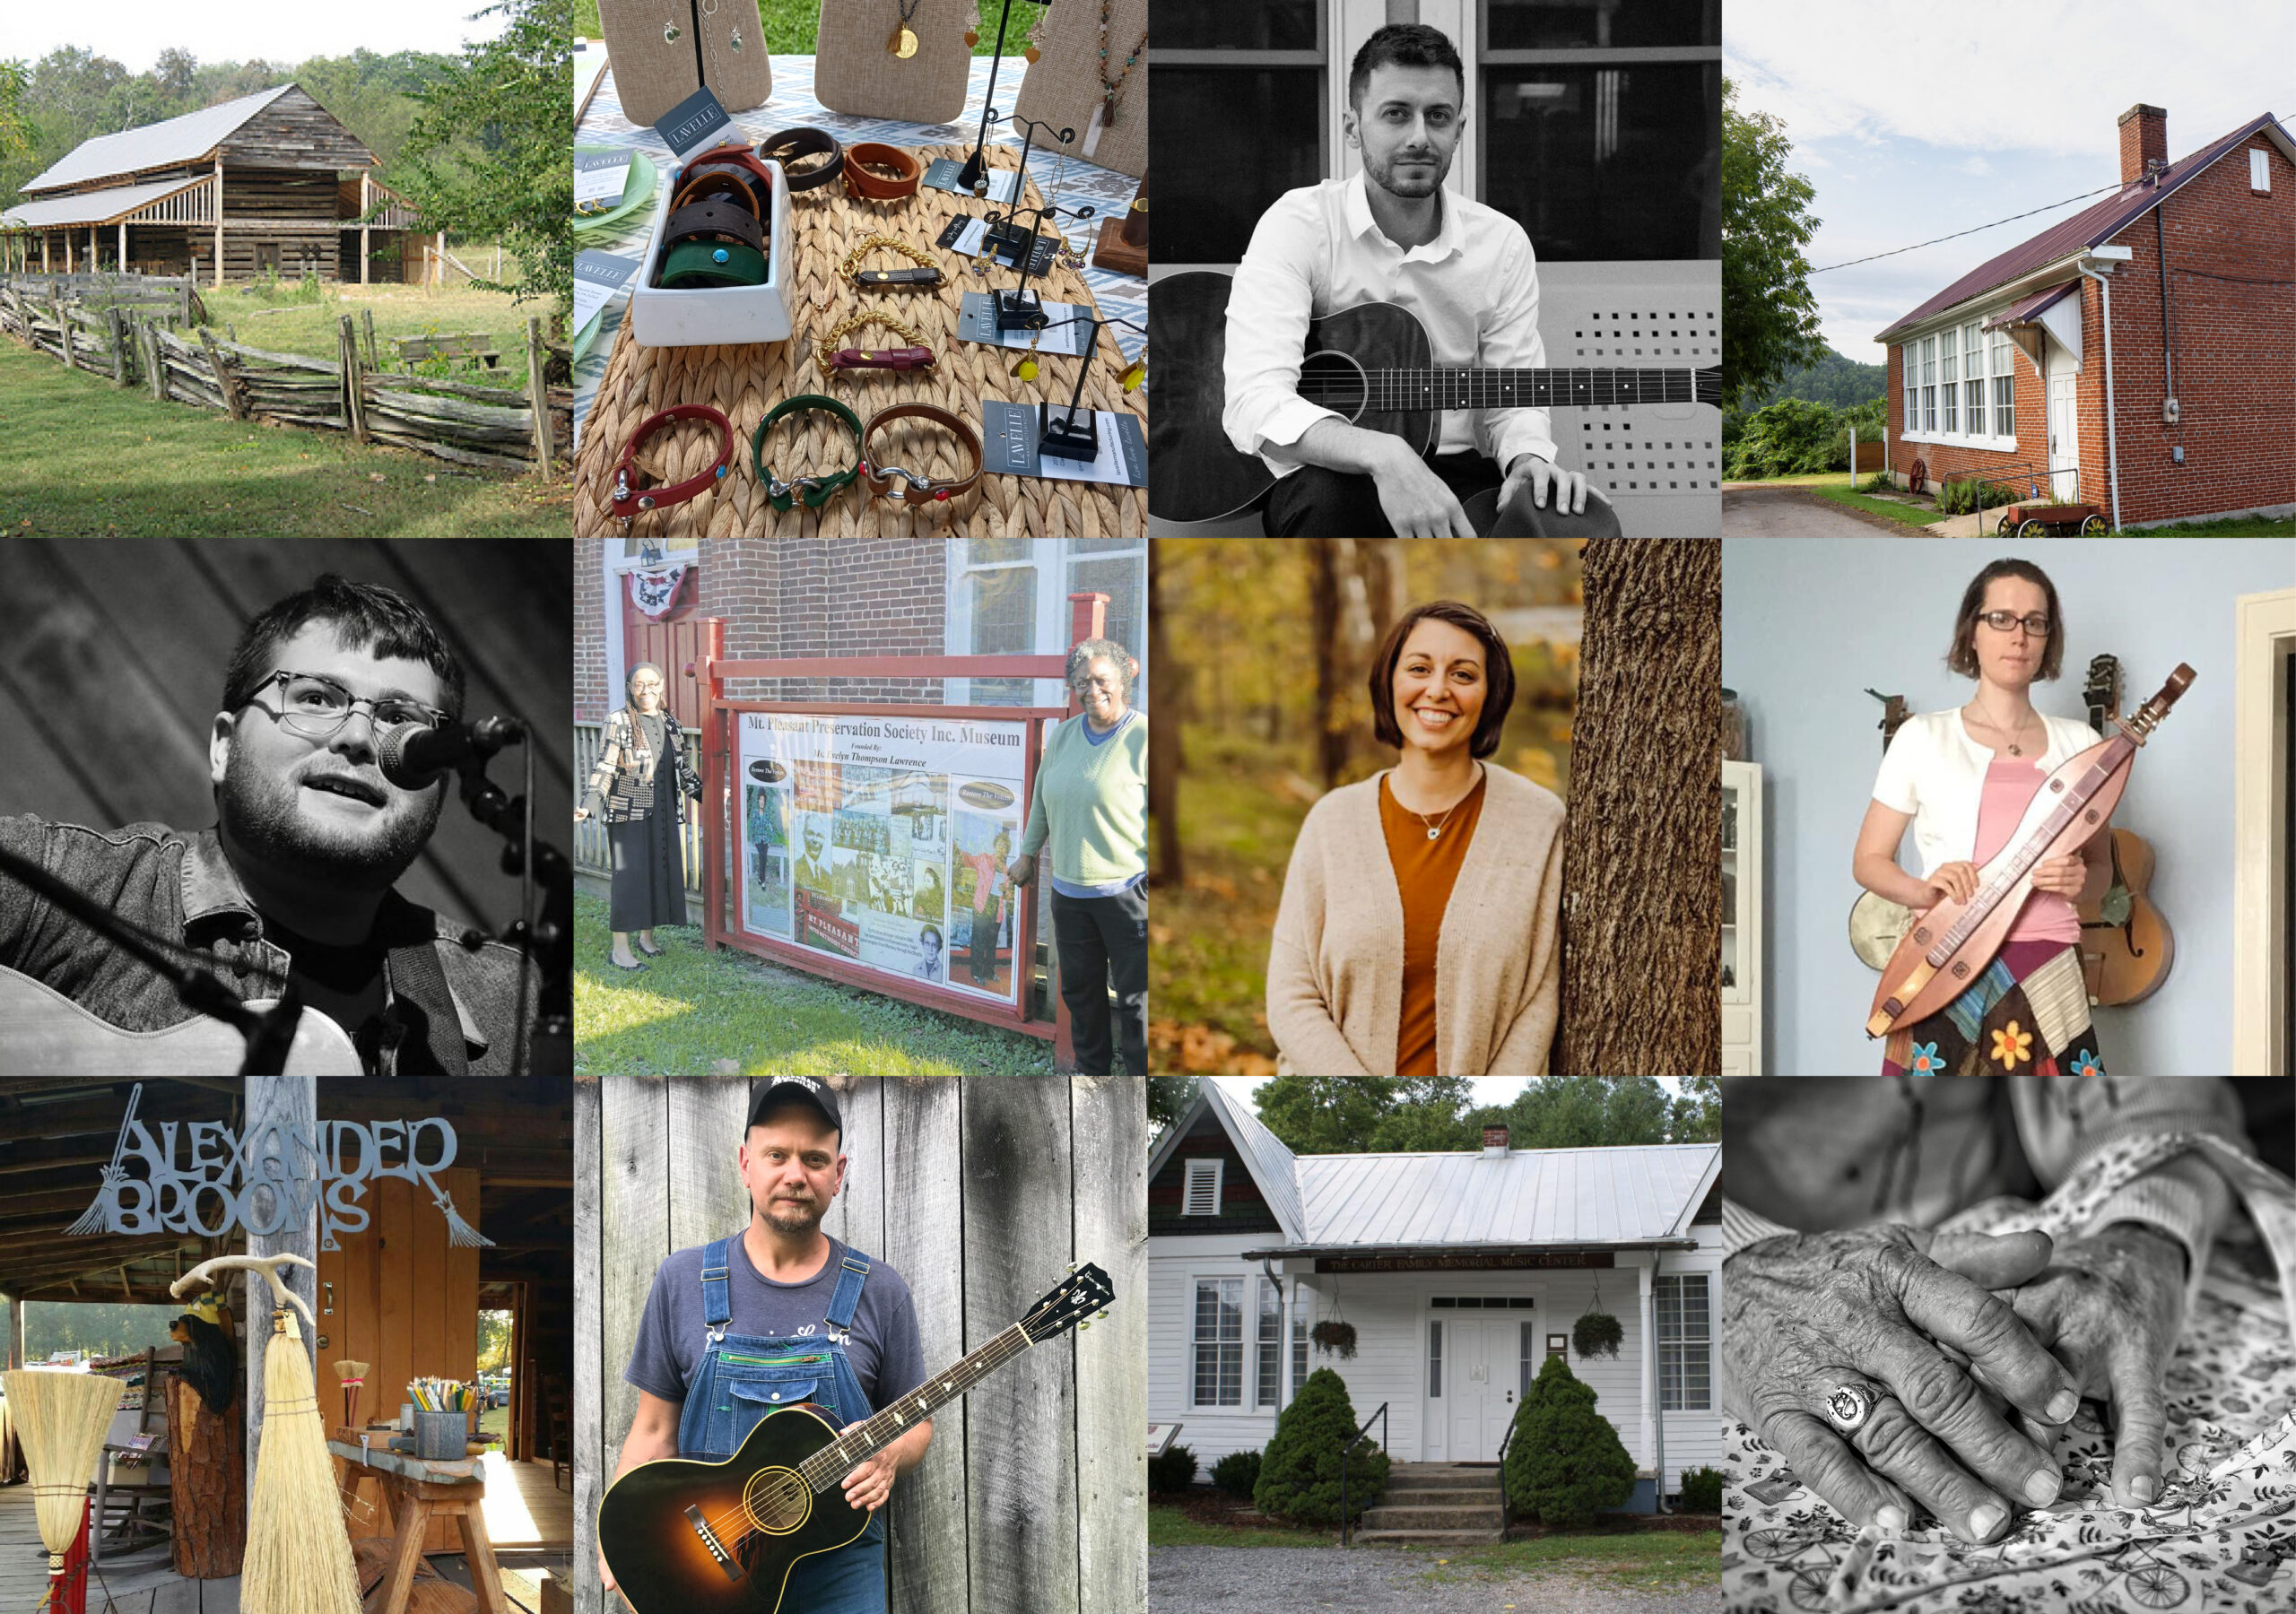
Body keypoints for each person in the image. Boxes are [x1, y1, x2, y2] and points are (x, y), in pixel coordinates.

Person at [0, 573, 535, 1077]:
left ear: (439, 777)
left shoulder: (517, 1005)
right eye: (316, 698)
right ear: (223, 747)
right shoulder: (54, 884)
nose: (359, 738)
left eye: (399, 719)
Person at [1721, 1077, 2248, 1548]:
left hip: (2013, 1275)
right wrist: (1732, 1263)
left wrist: (2143, 1234)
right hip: (1741, 1316)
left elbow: (2151, 1080)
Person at [1222, 23, 1622, 539]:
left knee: (1569, 520)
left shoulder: (1502, 244)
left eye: (1437, 116)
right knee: (1332, 506)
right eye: (1395, 114)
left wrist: (1526, 458)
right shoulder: (1299, 223)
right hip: (1326, 471)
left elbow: (1516, 388)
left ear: (1459, 127)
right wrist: (1382, 455)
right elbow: (1255, 400)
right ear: (1352, 127)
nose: (1419, 137)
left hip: (1457, 468)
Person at [601, 1079, 928, 1613]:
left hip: (839, 1565)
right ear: (745, 1162)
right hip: (711, 1568)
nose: (794, 1175)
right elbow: (654, 1429)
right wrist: (624, 1536)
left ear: (838, 1174)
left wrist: (890, 1452)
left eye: (814, 1159)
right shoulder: (683, 1279)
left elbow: (916, 1418)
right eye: (776, 1154)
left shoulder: (880, 1289)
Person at [1266, 600, 1562, 1075]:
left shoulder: (1540, 822)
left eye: (1464, 675)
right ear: (1390, 681)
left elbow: (1540, 998)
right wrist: (1366, 1105)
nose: (1438, 689)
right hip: (1339, 1109)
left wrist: (1477, 1110)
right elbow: (1290, 995)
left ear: (1491, 693)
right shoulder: (1331, 821)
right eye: (1419, 668)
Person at [1852, 560, 2112, 1075]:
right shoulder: (1923, 737)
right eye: (2001, 618)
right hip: (1946, 954)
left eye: (2034, 622)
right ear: (1972, 630)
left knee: (2056, 1139)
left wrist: (2081, 878)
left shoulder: (2082, 744)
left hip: (2049, 960)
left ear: (2047, 639)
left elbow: (2103, 873)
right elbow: (1868, 861)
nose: (2018, 636)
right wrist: (1925, 891)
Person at [1006, 638, 1149, 1076]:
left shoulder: (1144, 736)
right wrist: (1028, 854)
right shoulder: (1065, 735)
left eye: (1102, 680)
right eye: (1082, 682)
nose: (1092, 690)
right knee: (1082, 996)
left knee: (1138, 1002)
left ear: (1124, 679)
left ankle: (1140, 1080)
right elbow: (1042, 802)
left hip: (1128, 894)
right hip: (1068, 894)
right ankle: (1092, 1078)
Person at [577, 663, 700, 972]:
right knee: (629, 879)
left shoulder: (671, 723)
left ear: (661, 686)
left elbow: (683, 769)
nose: (646, 691)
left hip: (663, 812)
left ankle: (647, 938)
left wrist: (706, 793)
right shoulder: (618, 720)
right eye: (639, 685)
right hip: (626, 816)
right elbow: (605, 766)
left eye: (652, 684)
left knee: (658, 872)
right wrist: (590, 803)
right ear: (629, 688)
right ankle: (619, 950)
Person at [962, 829, 1010, 989]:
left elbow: (1009, 895)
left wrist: (1005, 890)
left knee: (991, 944)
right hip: (982, 905)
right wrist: (958, 848)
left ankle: (989, 971)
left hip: (996, 909)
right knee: (978, 941)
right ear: (995, 846)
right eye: (1000, 845)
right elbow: (967, 860)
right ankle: (976, 972)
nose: (1001, 849)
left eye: (1005, 847)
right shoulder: (983, 859)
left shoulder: (1005, 870)